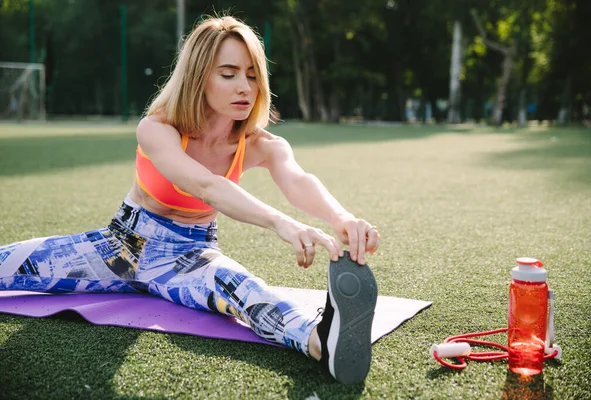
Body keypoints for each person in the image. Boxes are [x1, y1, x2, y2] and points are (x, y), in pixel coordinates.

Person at [0, 16, 380, 384]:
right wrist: (281, 222)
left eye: (251, 74)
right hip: (120, 249)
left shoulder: (261, 144)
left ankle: (322, 343)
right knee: (8, 264)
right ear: (199, 78)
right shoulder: (157, 128)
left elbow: (297, 180)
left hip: (190, 257)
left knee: (245, 291)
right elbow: (206, 186)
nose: (244, 87)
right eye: (228, 74)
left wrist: (340, 216)